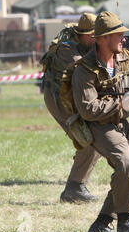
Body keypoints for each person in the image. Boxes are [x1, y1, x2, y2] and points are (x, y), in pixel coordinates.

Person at [71, 11, 129, 232]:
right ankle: (125, 224)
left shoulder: (125, 58)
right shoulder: (84, 69)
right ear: (102, 39)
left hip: (121, 124)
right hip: (99, 126)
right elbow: (88, 108)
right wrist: (120, 103)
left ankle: (101, 223)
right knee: (126, 166)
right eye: (118, 35)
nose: (123, 39)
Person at [40, 13, 101, 203]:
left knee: (94, 139)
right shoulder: (67, 49)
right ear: (81, 34)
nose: (95, 40)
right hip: (58, 99)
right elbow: (86, 69)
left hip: (71, 96)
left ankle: (77, 183)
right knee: (88, 140)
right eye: (93, 36)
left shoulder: (85, 45)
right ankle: (74, 189)